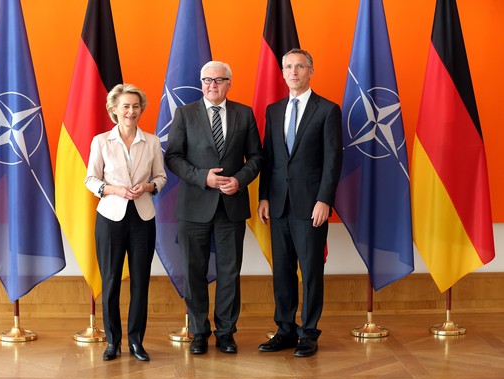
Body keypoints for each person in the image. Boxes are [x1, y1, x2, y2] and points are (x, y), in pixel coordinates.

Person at [165, 61, 263, 355]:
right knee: (193, 271)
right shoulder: (185, 113)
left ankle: (225, 332)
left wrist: (240, 180)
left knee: (229, 272)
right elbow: (173, 157)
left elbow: (257, 157)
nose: (212, 85)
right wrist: (202, 177)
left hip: (231, 206)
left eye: (219, 80)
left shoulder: (244, 114)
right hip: (194, 205)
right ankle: (198, 332)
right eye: (207, 80)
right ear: (201, 82)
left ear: (229, 83)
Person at [257, 49, 342, 357]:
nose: (293, 71)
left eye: (300, 66)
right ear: (282, 72)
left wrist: (324, 200)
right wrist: (264, 195)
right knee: (282, 270)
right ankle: (285, 329)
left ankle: (309, 332)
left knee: (310, 270)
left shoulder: (328, 110)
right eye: (288, 67)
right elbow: (270, 158)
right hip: (278, 204)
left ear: (311, 71)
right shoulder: (274, 109)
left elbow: (333, 160)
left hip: (311, 206)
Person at [85, 84, 167, 362]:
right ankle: (112, 342)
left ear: (141, 109)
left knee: (140, 281)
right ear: (114, 110)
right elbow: (91, 179)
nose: (131, 111)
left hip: (143, 218)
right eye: (125, 106)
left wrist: (148, 186)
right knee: (110, 281)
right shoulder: (100, 141)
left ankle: (136, 342)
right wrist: (114, 189)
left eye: (135, 106)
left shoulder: (153, 141)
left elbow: (161, 177)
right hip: (110, 218)